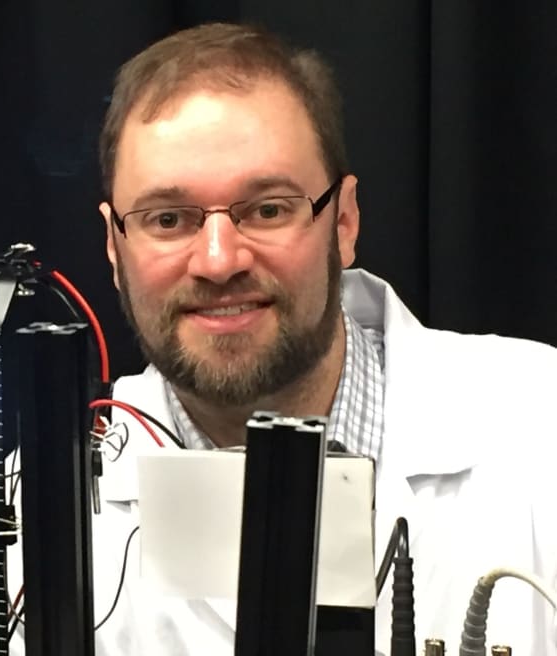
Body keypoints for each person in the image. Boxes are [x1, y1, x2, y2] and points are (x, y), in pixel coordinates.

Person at [85, 22, 557, 655]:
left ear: (344, 221)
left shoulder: (541, 423)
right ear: (114, 247)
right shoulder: (38, 508)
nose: (219, 261)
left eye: (268, 209)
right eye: (168, 219)